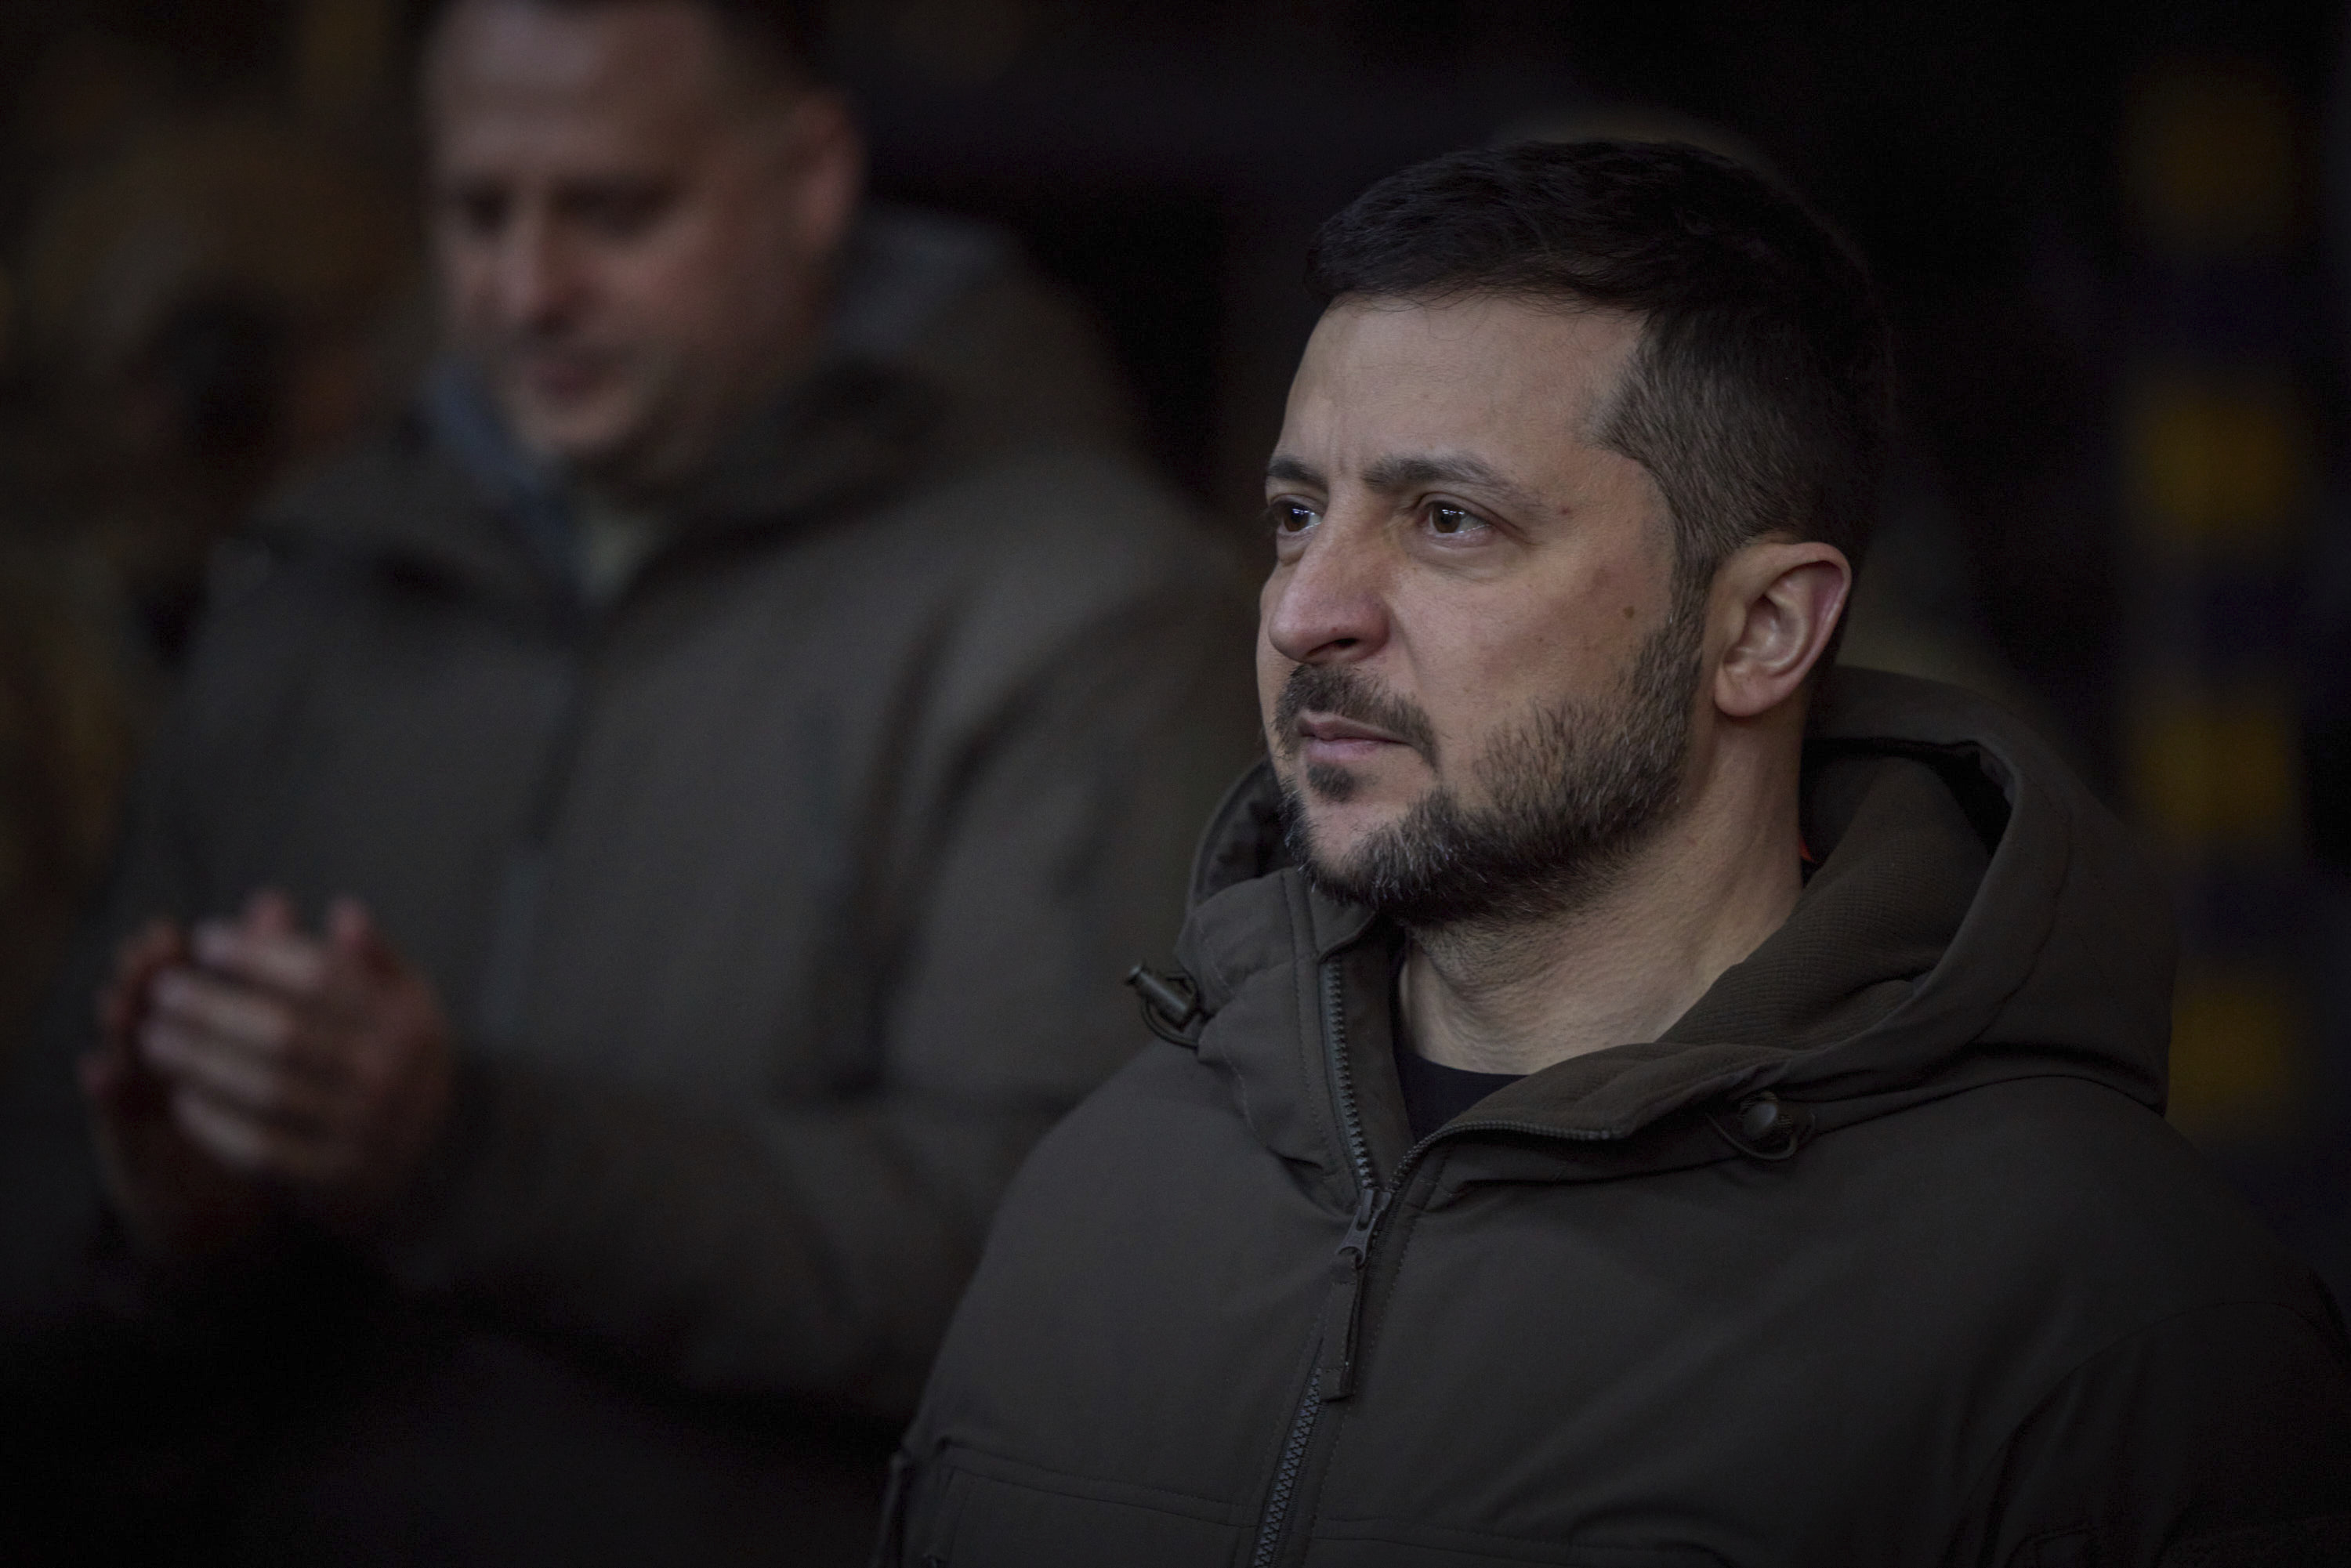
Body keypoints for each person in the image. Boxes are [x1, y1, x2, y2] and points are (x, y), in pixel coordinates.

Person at [882, 141, 2351, 1566]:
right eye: (1295, 514)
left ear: (1763, 628)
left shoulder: (2113, 1319)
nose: (1303, 610)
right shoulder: (1116, 1178)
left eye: (1448, 520)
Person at [0, 0, 1252, 1561]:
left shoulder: (1085, 606)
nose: (529, 288)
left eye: (612, 209)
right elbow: (45, 1177)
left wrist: (461, 1150)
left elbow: (1067, 1258)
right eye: (478, 211)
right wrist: (168, 1227)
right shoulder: (316, 582)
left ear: (808, 178)